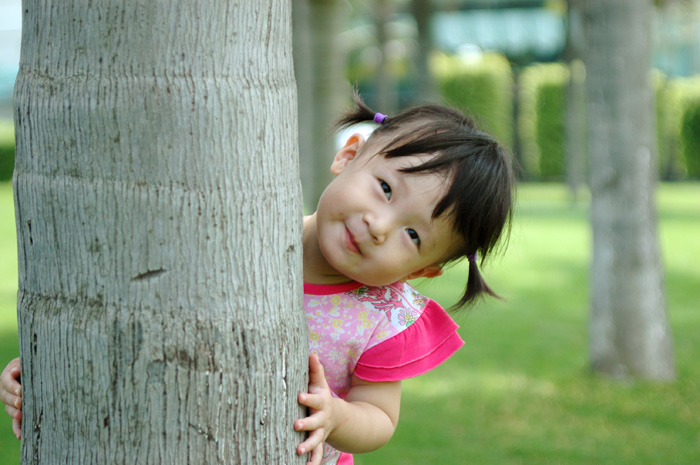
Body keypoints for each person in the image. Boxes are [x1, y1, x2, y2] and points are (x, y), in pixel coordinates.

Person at [2, 93, 515, 465]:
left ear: (423, 271)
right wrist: (53, 367)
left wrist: (336, 417)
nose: (379, 227)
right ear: (348, 155)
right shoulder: (237, 237)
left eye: (413, 234)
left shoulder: (384, 320)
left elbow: (380, 420)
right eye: (384, 187)